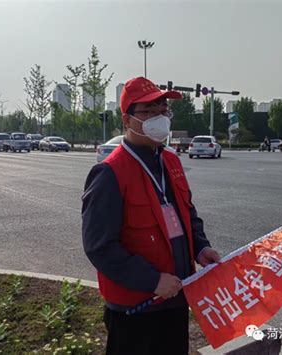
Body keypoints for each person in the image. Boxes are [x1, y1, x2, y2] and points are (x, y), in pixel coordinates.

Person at [81, 76, 221, 355]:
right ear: (127, 120)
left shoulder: (170, 161)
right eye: (147, 111)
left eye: (162, 110)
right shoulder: (110, 173)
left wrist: (201, 247)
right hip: (137, 308)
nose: (158, 118)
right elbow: (99, 247)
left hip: (177, 298)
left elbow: (187, 212)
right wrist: (152, 280)